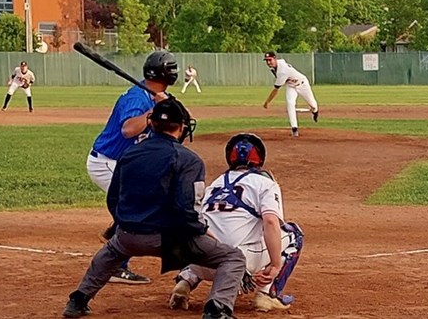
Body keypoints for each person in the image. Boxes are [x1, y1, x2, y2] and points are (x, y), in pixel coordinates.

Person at [62, 98, 246, 319]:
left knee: (111, 252)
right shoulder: (188, 160)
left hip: (129, 235)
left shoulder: (129, 154)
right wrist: (201, 230)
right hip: (173, 240)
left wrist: (124, 224)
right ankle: (216, 310)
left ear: (151, 123)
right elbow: (185, 209)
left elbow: (113, 198)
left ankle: (78, 300)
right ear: (182, 127)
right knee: (232, 257)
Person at [169, 133, 304, 313]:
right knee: (294, 234)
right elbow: (271, 222)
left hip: (198, 262)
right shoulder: (264, 183)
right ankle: (268, 295)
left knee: (203, 236)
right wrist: (275, 264)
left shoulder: (215, 185)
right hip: (235, 264)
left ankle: (185, 282)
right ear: (260, 158)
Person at [85, 51, 177, 284]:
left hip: (124, 164)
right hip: (106, 162)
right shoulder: (137, 98)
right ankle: (116, 267)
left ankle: (114, 230)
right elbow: (128, 129)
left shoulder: (155, 95)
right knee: (135, 207)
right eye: (171, 68)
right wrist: (154, 112)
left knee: (148, 199)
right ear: (162, 73)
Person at [262, 52, 319, 137]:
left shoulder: (283, 71)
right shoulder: (279, 63)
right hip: (291, 86)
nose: (268, 62)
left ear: (275, 58)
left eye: (270, 60)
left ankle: (315, 111)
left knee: (313, 105)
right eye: (266, 61)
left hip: (302, 84)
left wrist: (267, 102)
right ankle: (294, 129)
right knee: (290, 104)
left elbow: (275, 90)